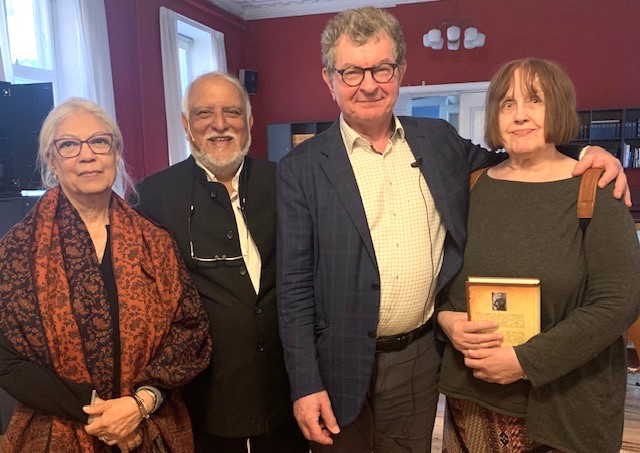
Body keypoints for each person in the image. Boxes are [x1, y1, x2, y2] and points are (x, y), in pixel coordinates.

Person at [275, 7, 630, 452]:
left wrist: (588, 154)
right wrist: (304, 384)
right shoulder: (298, 169)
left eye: (381, 68)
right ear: (329, 78)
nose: (368, 84)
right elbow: (291, 289)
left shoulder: (438, 140)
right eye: (350, 71)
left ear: (400, 71)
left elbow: (522, 161)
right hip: (338, 364)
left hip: (419, 359)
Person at [437, 58, 640, 453]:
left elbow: (618, 303)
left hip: (565, 406)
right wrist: (446, 319)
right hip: (474, 403)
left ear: (559, 108)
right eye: (507, 103)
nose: (520, 115)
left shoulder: (596, 189)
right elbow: (444, 275)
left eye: (535, 100)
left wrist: (526, 361)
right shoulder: (473, 189)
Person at [0, 98, 212, 452]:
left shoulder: (154, 243)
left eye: (100, 141)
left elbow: (191, 331)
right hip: (57, 433)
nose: (87, 155)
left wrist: (139, 403)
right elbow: (6, 358)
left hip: (150, 426)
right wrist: (99, 417)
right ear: (52, 160)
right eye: (69, 145)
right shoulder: (17, 251)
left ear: (115, 153)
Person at [135, 72, 307, 453]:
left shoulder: (285, 180)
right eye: (203, 114)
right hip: (206, 397)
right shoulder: (153, 196)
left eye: (231, 112)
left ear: (249, 122)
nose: (219, 123)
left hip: (288, 388)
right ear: (186, 125)